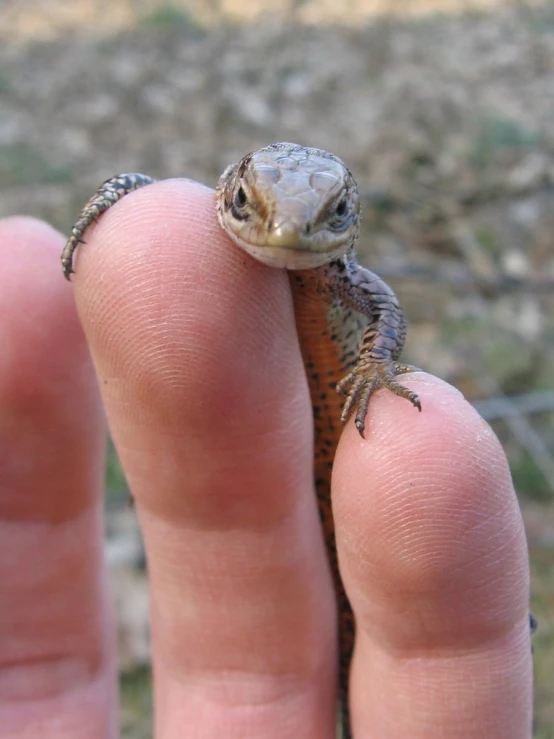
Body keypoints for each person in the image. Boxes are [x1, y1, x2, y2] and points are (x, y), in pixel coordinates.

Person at [0, 178, 533, 738]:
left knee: (366, 567)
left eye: (329, 217)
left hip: (337, 439)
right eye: (252, 209)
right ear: (231, 194)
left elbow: (384, 308)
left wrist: (376, 366)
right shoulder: (209, 225)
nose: (285, 233)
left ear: (351, 218)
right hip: (276, 439)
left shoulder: (337, 275)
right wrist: (120, 195)